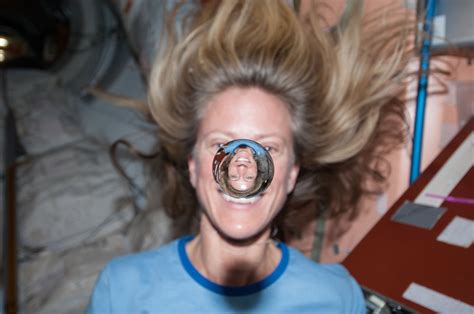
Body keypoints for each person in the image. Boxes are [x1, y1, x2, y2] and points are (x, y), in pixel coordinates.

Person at [87, 0, 413, 312]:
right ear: (193, 166)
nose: (242, 168)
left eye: (268, 148)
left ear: (291, 174)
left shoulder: (337, 297)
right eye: (220, 145)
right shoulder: (122, 291)